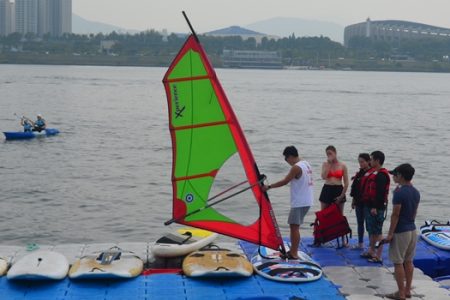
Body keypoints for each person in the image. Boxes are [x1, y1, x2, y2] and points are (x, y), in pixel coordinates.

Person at [262, 146, 314, 259]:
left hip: (300, 201)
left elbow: (285, 181)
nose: (286, 161)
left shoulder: (296, 167)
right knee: (294, 226)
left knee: (294, 227)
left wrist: (269, 187)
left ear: (290, 156)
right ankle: (293, 251)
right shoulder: (306, 163)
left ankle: (294, 253)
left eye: (286, 159)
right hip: (307, 200)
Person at [384, 164, 420, 300]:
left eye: (395, 174)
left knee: (398, 262)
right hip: (412, 229)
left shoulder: (399, 193)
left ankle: (400, 293)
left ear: (400, 176)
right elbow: (414, 212)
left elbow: (395, 214)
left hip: (401, 231)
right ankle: (407, 290)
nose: (393, 177)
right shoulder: (416, 192)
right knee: (409, 261)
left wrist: (390, 234)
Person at [360, 150, 390, 263]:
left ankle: (378, 255)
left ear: (377, 161)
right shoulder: (374, 173)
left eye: (371, 159)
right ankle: (371, 251)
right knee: (371, 230)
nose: (370, 161)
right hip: (369, 205)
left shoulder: (381, 175)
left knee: (378, 232)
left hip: (377, 207)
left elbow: (380, 193)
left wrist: (375, 207)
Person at [350, 153, 371, 249]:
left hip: (367, 203)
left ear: (368, 161)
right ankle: (360, 243)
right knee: (360, 222)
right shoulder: (359, 173)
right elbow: (355, 189)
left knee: (369, 224)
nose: (361, 164)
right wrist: (353, 201)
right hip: (358, 201)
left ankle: (372, 244)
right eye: (359, 162)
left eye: (362, 162)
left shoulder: (372, 173)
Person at [319, 145, 349, 213]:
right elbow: (323, 177)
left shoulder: (342, 165)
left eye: (330, 153)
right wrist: (329, 164)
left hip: (338, 189)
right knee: (324, 213)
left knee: (339, 213)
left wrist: (342, 195)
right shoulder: (325, 164)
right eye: (327, 154)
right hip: (327, 188)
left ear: (335, 153)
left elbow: (346, 182)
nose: (329, 155)